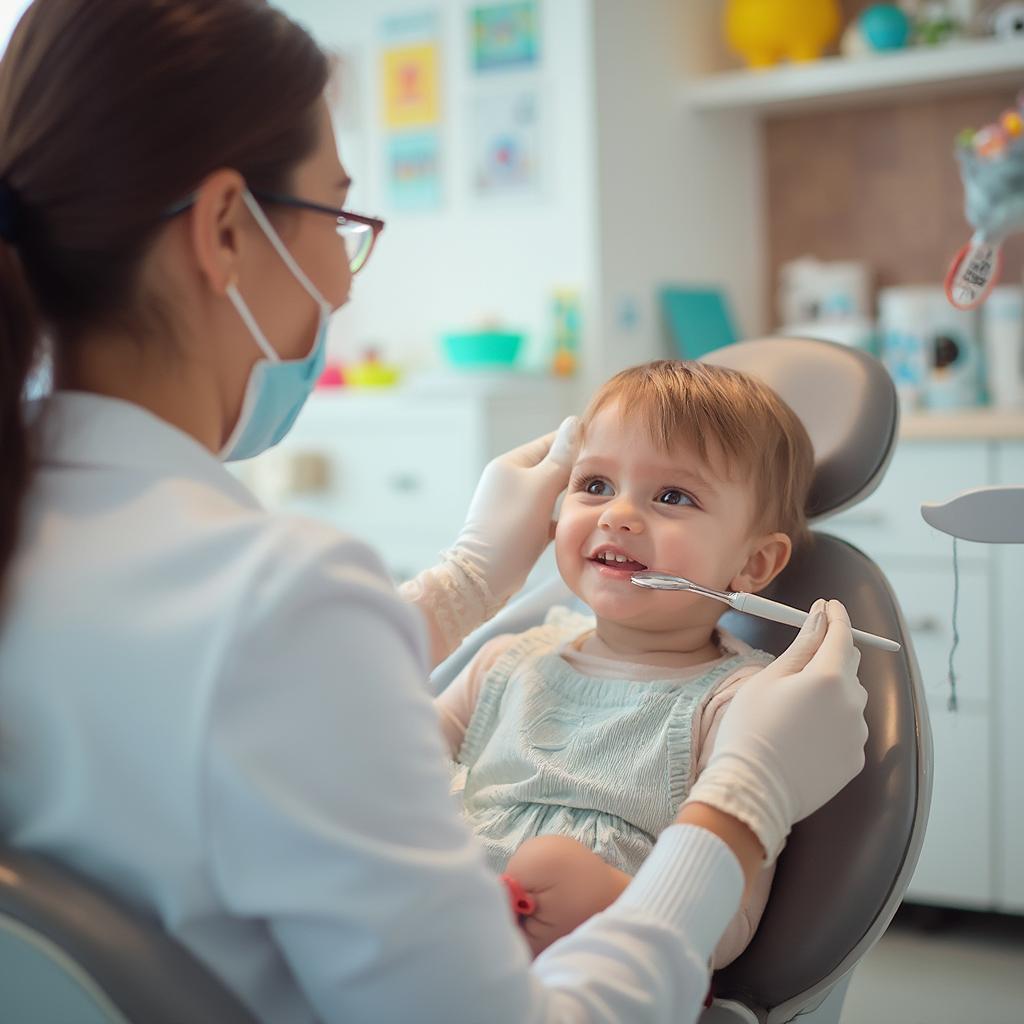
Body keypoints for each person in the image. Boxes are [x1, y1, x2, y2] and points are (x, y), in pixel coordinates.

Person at [0, 2, 868, 1022]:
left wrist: (459, 586)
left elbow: (281, 728)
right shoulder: (294, 606)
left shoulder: (61, 545)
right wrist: (738, 806)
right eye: (339, 218)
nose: (342, 281)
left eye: (671, 494)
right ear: (225, 229)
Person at [436, 360, 816, 963]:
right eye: (594, 486)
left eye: (672, 496)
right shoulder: (503, 663)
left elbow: (730, 923)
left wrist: (611, 900)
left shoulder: (739, 707)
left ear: (754, 566)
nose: (617, 515)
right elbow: (378, 766)